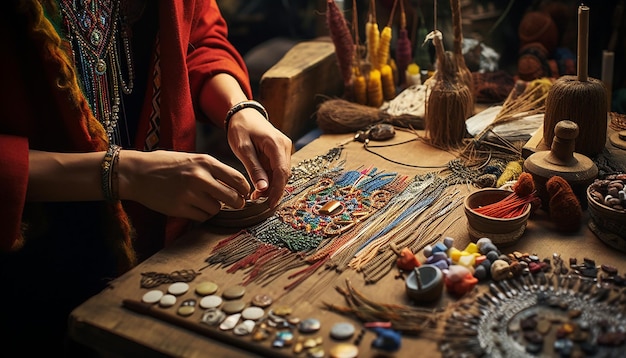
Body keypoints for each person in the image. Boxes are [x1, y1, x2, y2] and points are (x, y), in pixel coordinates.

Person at [0, 0, 292, 355]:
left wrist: (239, 108)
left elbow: (198, 37)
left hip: (161, 237)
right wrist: (123, 172)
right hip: (34, 262)